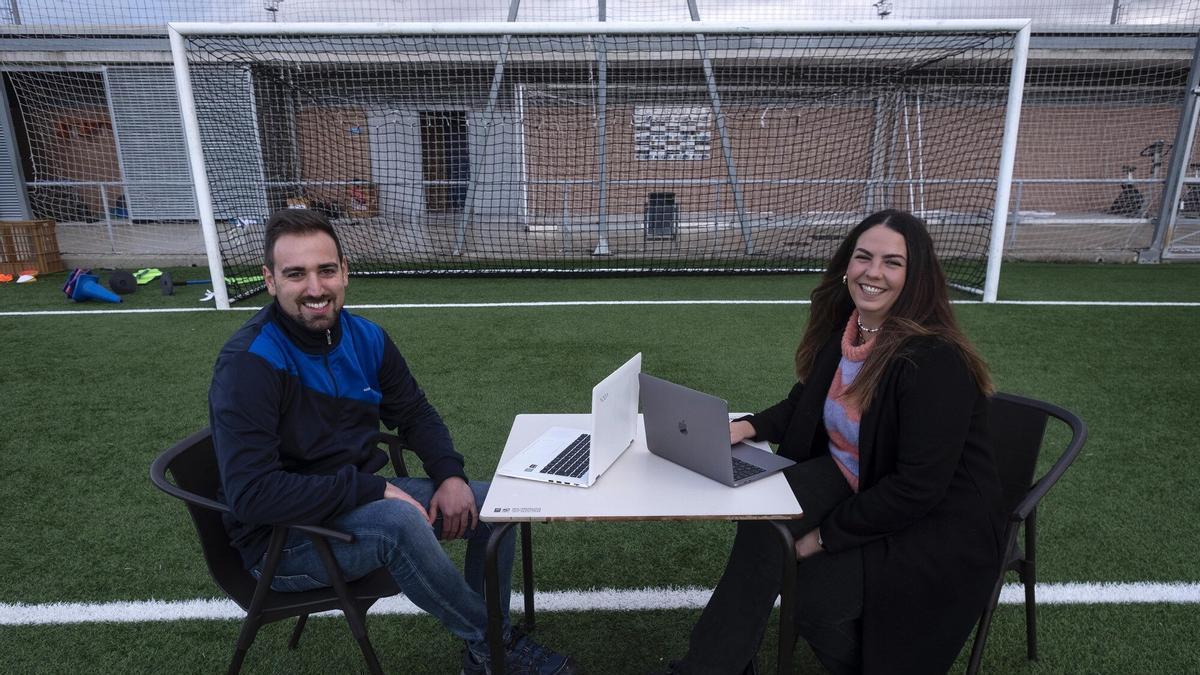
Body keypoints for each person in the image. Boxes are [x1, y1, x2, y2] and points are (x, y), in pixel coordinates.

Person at [208, 208, 577, 675]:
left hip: (347, 506)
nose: (315, 289)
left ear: (345, 272)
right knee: (397, 521)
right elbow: (251, 495)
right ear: (270, 280)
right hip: (282, 544)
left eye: (325, 270)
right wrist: (373, 489)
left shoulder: (367, 338)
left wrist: (449, 473)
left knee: (496, 505)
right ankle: (495, 647)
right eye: (295, 274)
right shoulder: (249, 364)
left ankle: (484, 655)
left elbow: (415, 413)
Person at [668, 209, 1005, 674]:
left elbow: (918, 488)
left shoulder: (933, 361)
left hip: (934, 520)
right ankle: (712, 667)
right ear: (847, 264)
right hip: (855, 474)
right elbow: (803, 405)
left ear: (916, 276)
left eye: (892, 262)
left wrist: (822, 539)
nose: (873, 272)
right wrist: (743, 429)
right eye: (863, 257)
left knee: (813, 593)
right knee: (763, 522)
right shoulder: (849, 328)